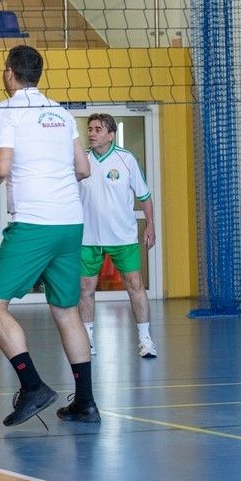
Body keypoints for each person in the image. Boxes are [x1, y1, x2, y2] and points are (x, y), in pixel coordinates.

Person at [0, 45, 97, 426]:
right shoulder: (61, 112)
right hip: (70, 222)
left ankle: (33, 385)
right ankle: (85, 403)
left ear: (9, 72)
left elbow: (1, 168)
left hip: (35, 224)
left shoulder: (7, 110)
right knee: (67, 310)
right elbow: (83, 169)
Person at [77, 112, 158, 359]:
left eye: (98, 129)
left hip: (123, 237)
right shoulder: (81, 160)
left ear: (111, 135)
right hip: (88, 238)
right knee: (85, 288)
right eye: (90, 129)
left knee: (135, 285)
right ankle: (87, 341)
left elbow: (144, 196)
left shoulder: (126, 159)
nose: (92, 133)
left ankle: (145, 340)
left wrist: (150, 225)